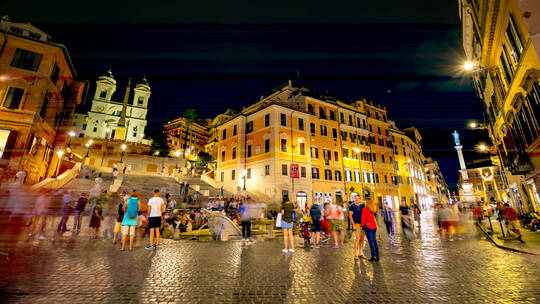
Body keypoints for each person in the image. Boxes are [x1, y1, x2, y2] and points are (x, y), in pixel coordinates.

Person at [349, 195, 366, 259]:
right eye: (356, 198)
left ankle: (360, 253)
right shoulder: (352, 206)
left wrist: (361, 201)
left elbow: (367, 203)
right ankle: (356, 253)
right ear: (354, 199)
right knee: (358, 238)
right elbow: (350, 216)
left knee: (362, 238)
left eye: (358, 198)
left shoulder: (362, 205)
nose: (357, 199)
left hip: (363, 224)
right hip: (357, 223)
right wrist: (353, 224)